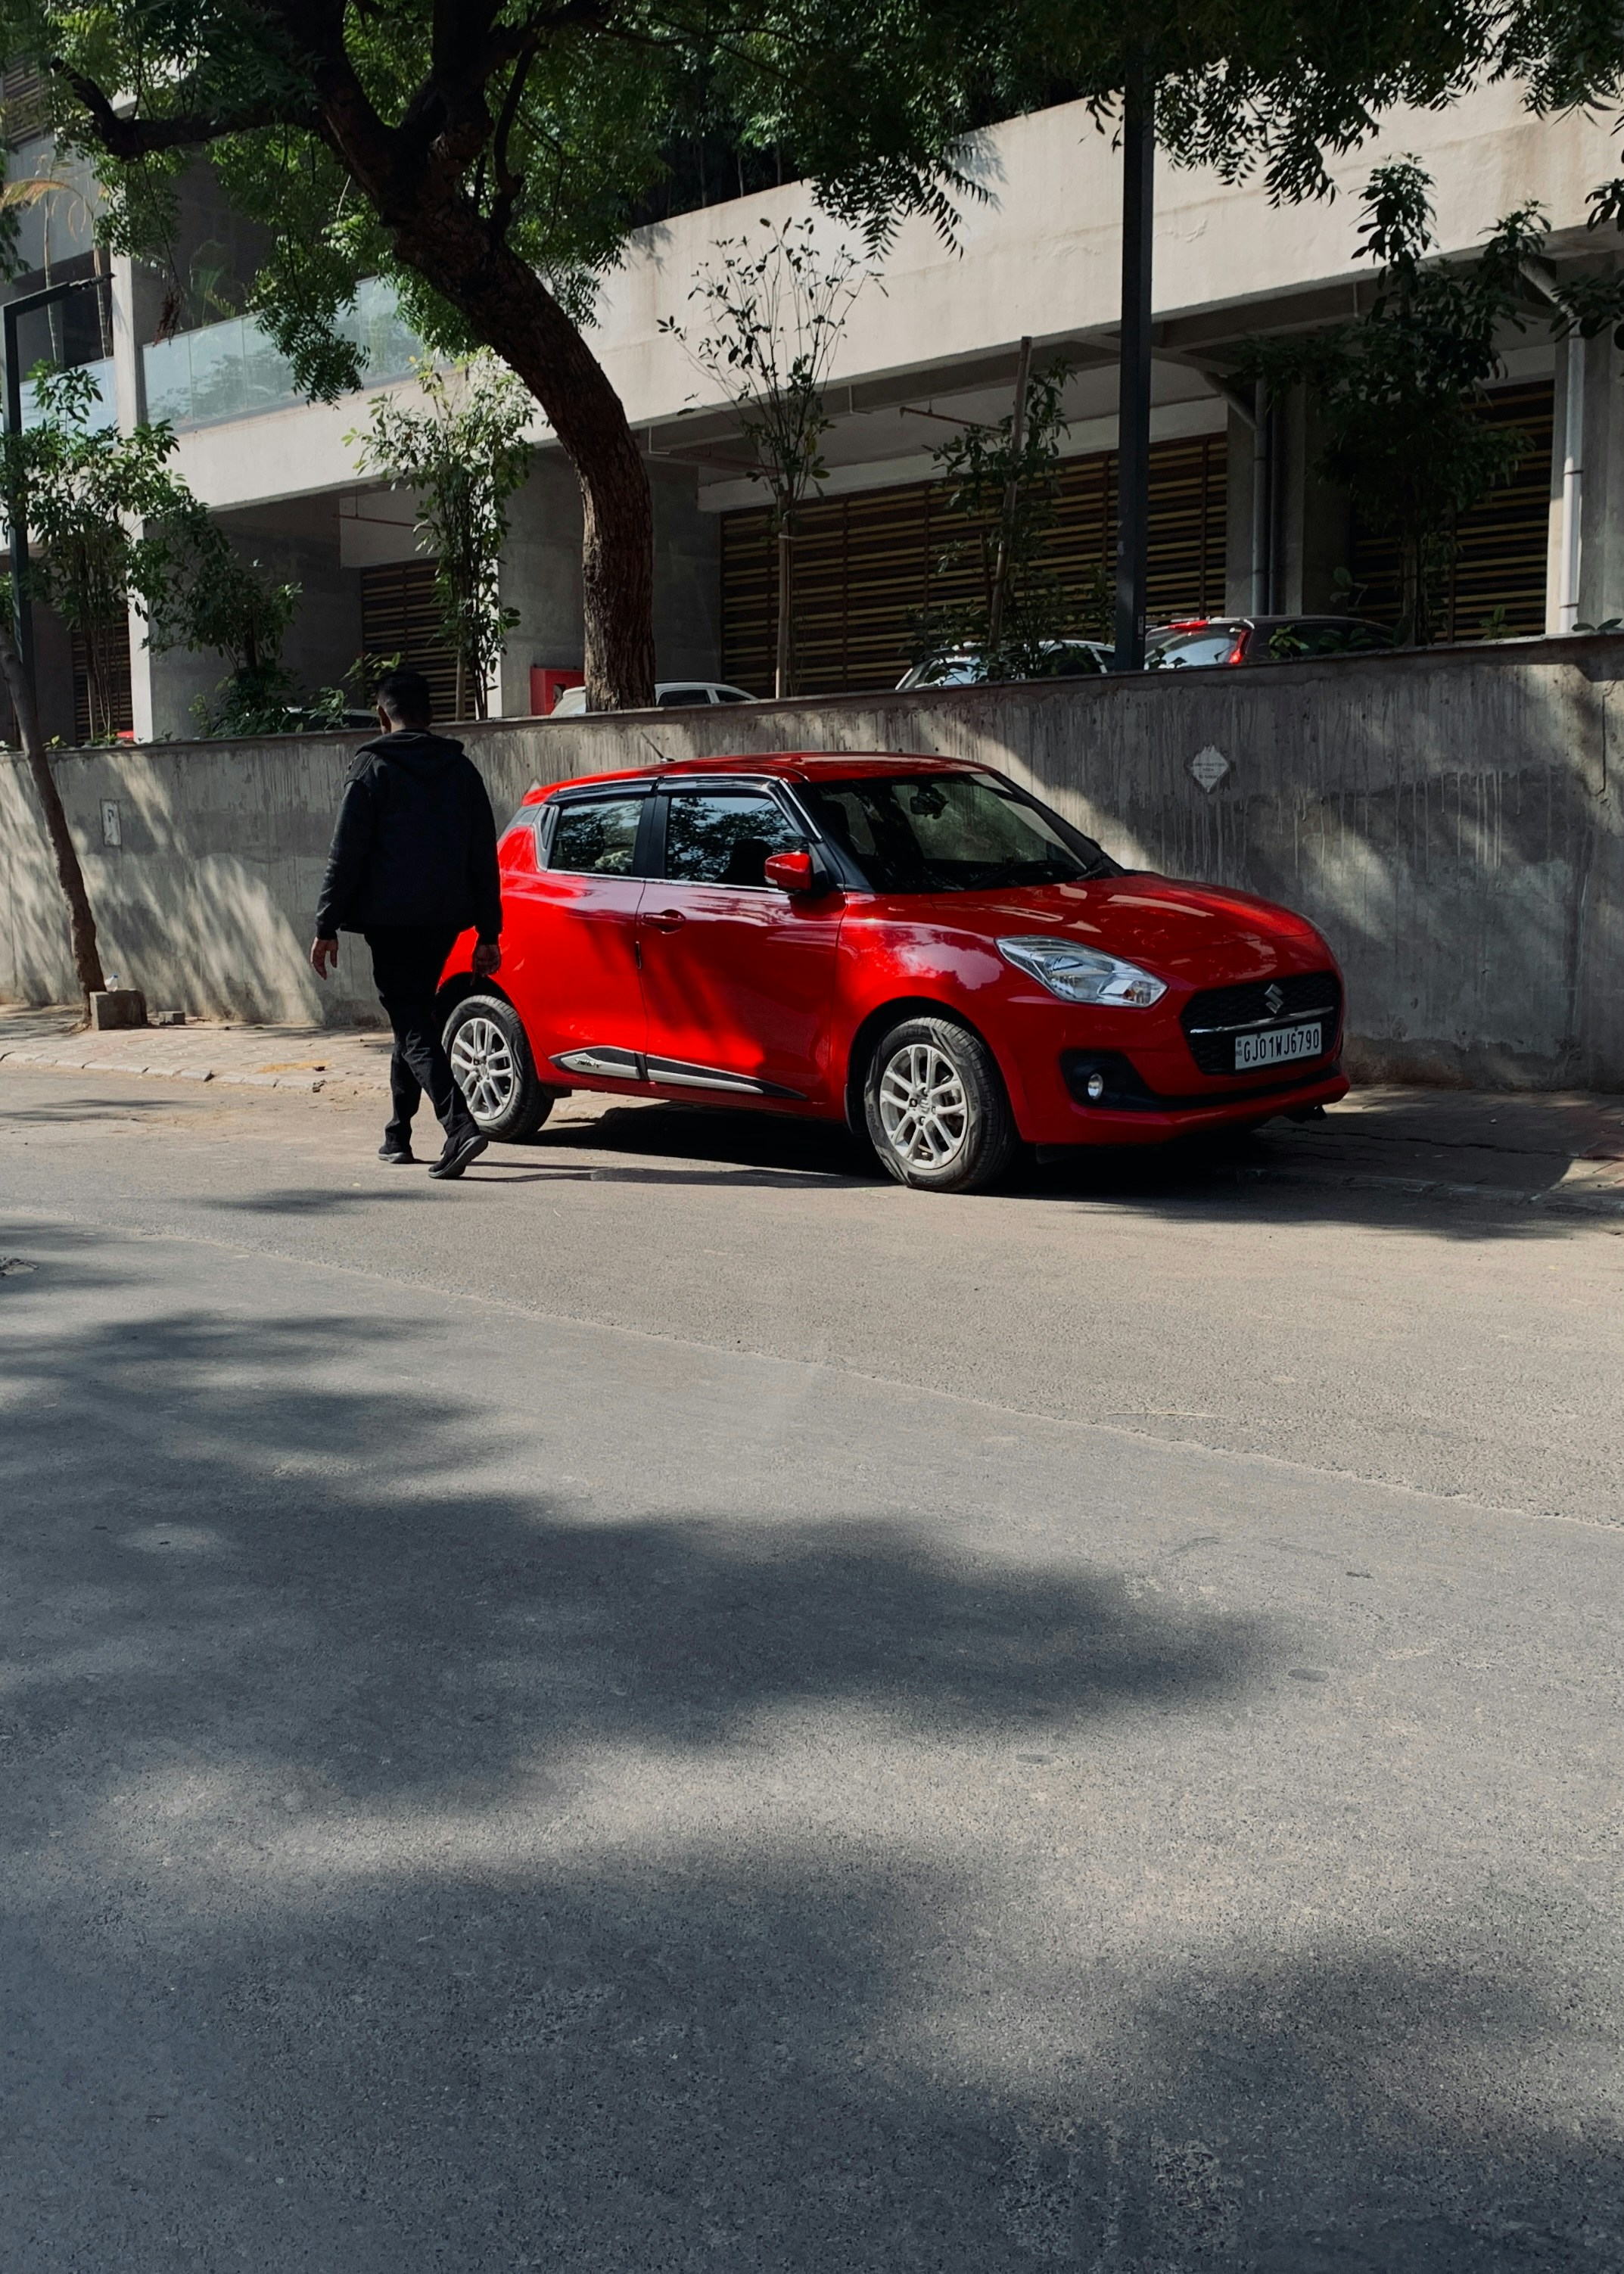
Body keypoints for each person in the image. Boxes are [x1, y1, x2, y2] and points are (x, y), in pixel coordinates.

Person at [310, 668, 501, 1180]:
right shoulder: (462, 772)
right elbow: (484, 857)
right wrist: (488, 931)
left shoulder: (371, 768)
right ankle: (398, 1132)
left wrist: (326, 924)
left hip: (391, 923)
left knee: (412, 1022)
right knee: (412, 1015)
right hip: (444, 920)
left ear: (381, 714)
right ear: (431, 715)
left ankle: (459, 1125)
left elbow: (343, 855)